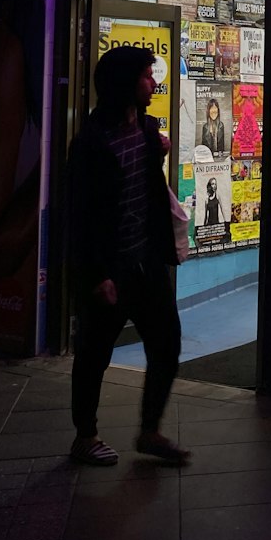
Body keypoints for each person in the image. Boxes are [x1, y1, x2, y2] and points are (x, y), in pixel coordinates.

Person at [65, 44, 190, 466]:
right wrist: (97, 273)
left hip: (146, 263)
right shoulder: (92, 142)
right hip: (110, 269)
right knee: (94, 355)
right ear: (124, 84)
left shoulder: (145, 130)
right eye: (145, 76)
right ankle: (85, 436)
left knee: (166, 345)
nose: (153, 83)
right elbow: (80, 214)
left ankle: (150, 430)